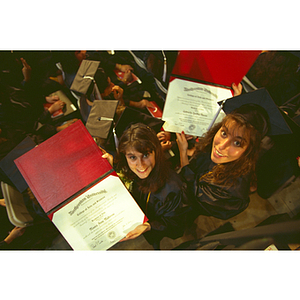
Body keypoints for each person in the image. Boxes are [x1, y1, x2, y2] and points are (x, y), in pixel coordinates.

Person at [176, 102, 271, 220]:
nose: (221, 146)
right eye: (224, 133)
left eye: (237, 143)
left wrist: (183, 153)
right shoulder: (218, 148)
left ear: (248, 151)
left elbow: (191, 193)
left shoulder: (231, 191)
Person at [102, 123, 191, 249]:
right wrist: (111, 171)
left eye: (145, 155)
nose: (141, 165)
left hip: (158, 230)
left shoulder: (173, 188)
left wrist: (149, 226)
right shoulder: (127, 169)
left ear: (156, 152)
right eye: (132, 157)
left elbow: (176, 226)